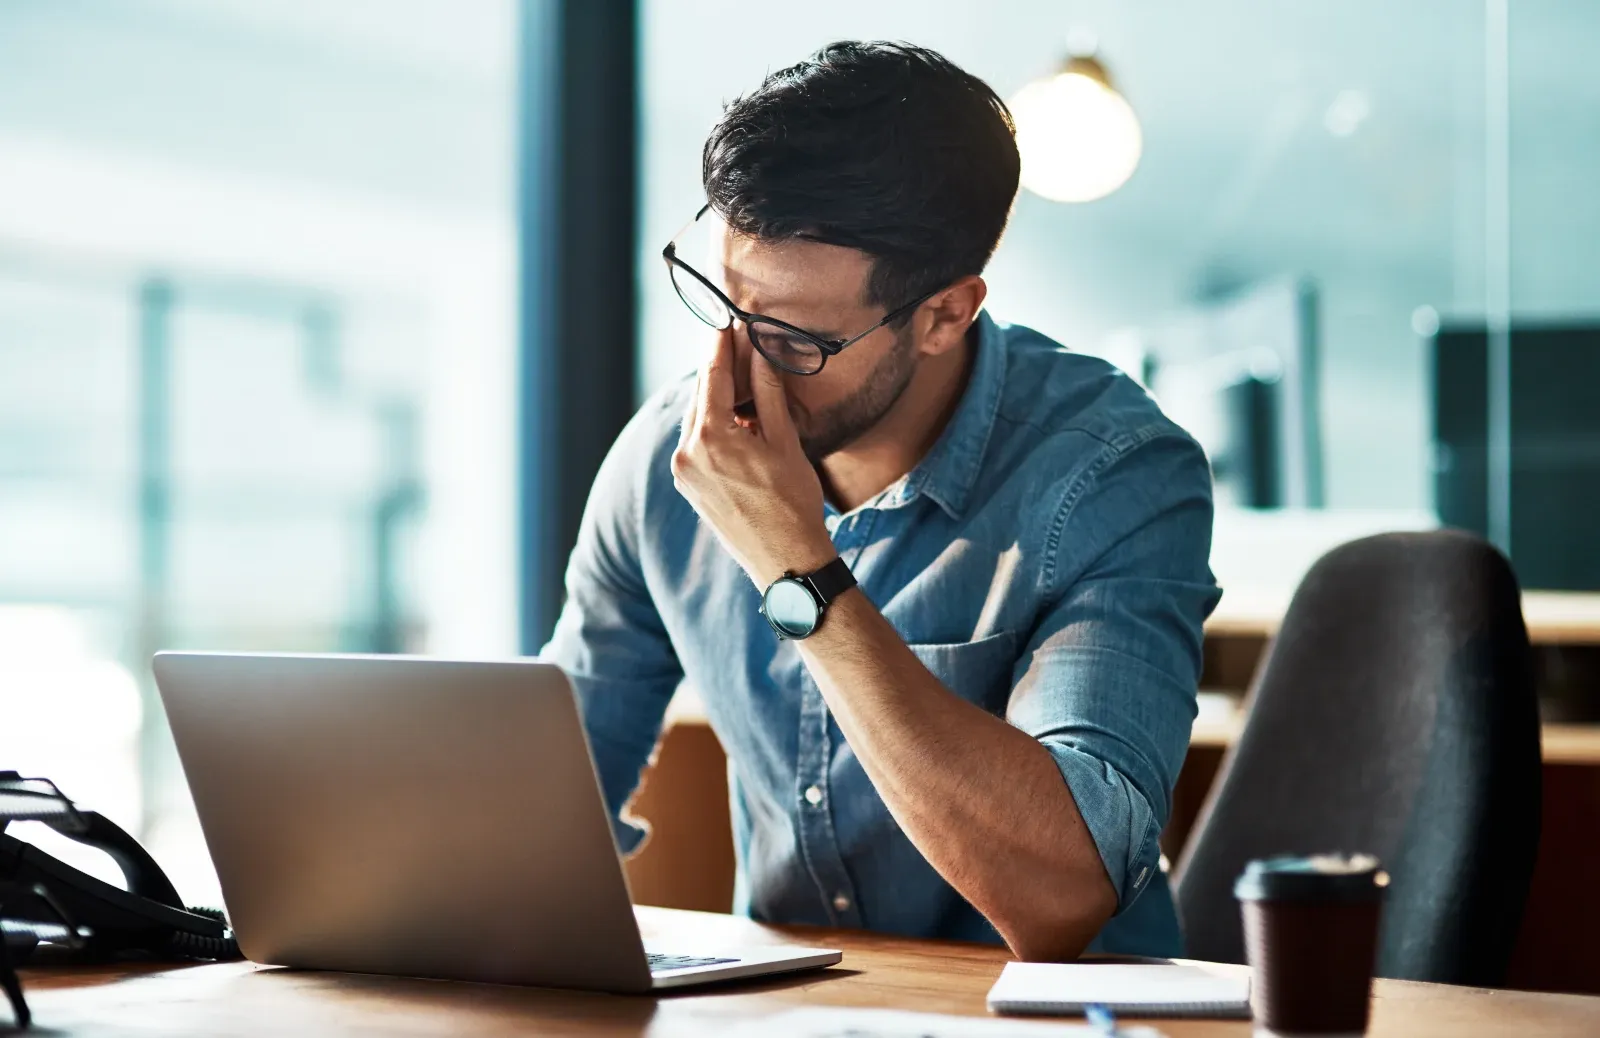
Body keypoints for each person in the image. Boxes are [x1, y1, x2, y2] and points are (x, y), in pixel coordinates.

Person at [543, 40, 1220, 960]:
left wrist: (798, 572)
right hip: (787, 1015)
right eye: (720, 301)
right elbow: (549, 800)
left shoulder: (1114, 473)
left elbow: (1065, 894)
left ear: (945, 313)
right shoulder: (670, 457)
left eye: (791, 337)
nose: (735, 369)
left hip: (1062, 1023)